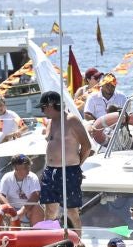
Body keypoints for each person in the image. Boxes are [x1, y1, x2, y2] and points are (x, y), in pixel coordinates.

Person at [38, 90, 95, 227]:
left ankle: (78, 242)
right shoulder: (51, 122)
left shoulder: (71, 120)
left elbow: (87, 146)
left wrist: (77, 165)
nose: (42, 111)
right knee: (49, 209)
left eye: (43, 107)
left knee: (71, 211)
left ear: (51, 105)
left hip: (69, 170)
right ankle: (49, 240)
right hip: (50, 171)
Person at [0, 153, 42, 227]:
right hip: (11, 209)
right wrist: (10, 209)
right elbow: (0, 195)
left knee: (37, 208)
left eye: (28, 166)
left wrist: (22, 211)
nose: (28, 169)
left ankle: (35, 235)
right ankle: (0, 235)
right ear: (16, 168)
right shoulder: (7, 177)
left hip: (27, 210)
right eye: (25, 167)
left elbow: (35, 195)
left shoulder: (33, 177)